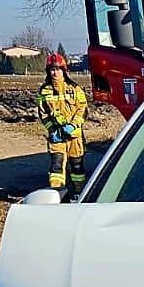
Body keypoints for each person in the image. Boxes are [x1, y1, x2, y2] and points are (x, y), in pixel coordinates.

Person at [36, 53, 89, 200]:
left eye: (58, 69)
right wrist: (52, 130)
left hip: (74, 136)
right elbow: (43, 114)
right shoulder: (44, 91)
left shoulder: (75, 89)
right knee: (56, 167)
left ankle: (79, 194)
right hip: (57, 137)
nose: (55, 73)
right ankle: (57, 194)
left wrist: (73, 125)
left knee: (77, 167)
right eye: (52, 69)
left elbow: (83, 109)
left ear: (64, 70)